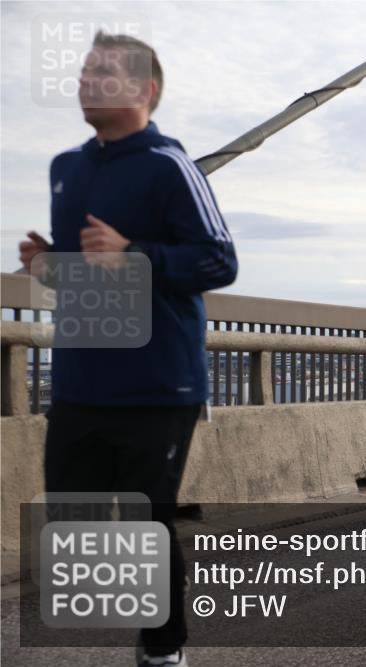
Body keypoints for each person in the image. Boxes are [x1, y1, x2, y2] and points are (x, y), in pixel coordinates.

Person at [18, 32, 237, 667]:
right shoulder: (67, 167)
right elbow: (94, 273)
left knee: (147, 522)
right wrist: (51, 265)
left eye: (104, 71)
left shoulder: (170, 165)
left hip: (157, 381)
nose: (87, 80)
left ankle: (162, 651)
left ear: (145, 90)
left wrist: (135, 252)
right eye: (84, 70)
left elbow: (219, 261)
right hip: (82, 377)